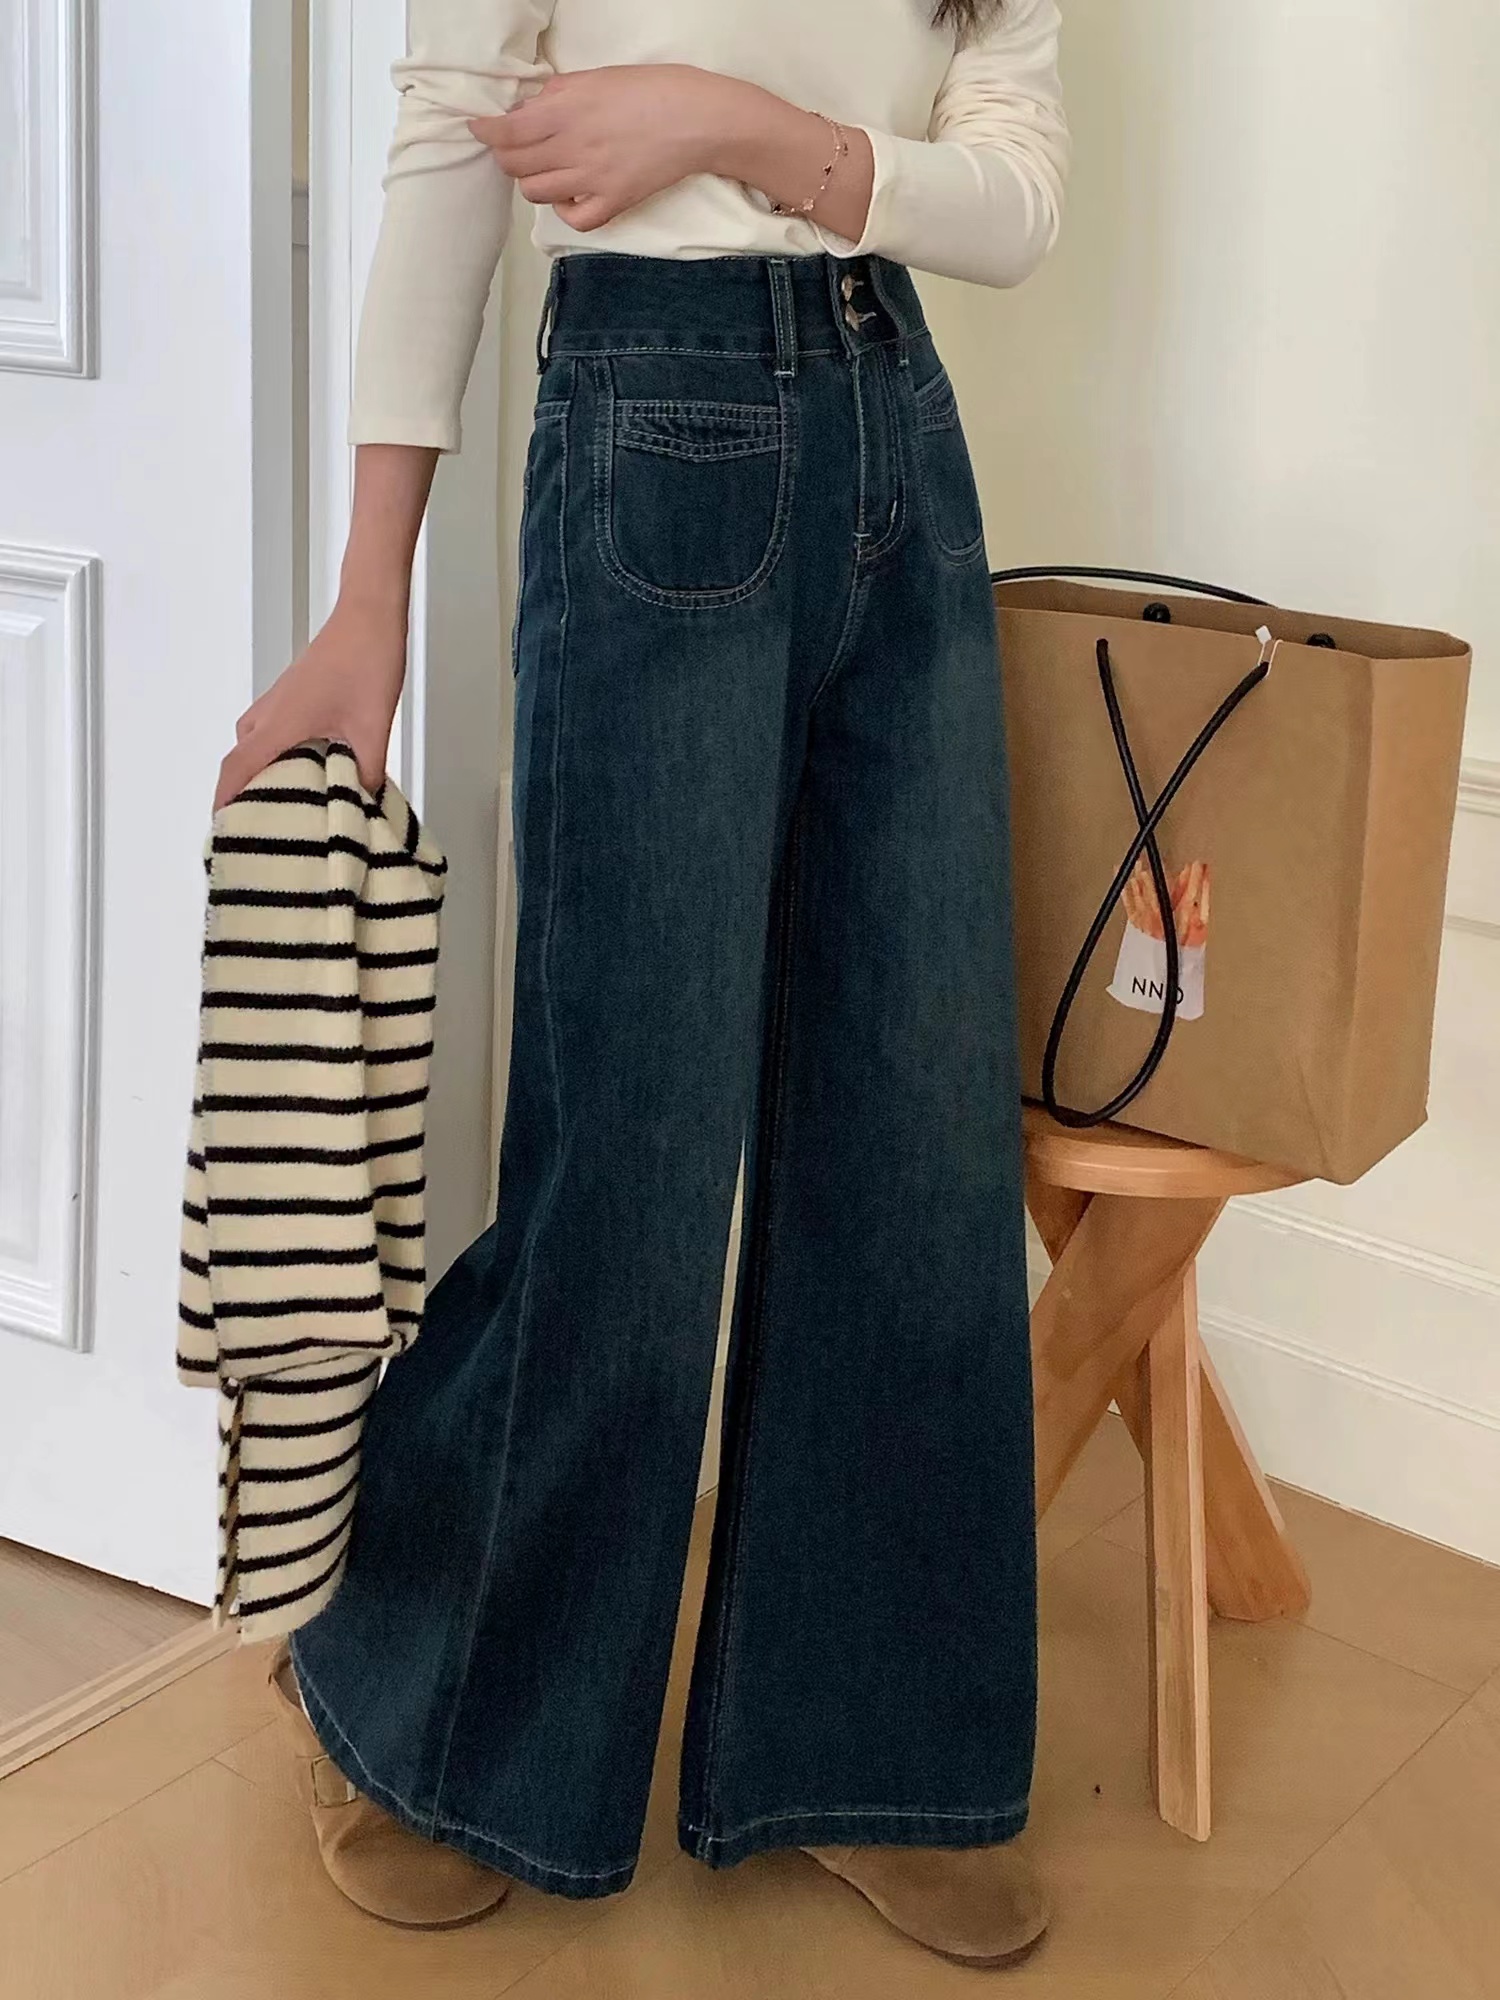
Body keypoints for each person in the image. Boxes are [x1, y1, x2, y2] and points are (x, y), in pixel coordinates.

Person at [231, 0, 1069, 1969]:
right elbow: (453, 136)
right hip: (650, 408)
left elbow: (1019, 205)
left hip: (899, 430)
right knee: (632, 1151)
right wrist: (366, 602)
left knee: (915, 1141)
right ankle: (432, 1704)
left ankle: (869, 1748)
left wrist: (741, 126)